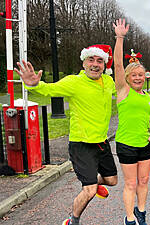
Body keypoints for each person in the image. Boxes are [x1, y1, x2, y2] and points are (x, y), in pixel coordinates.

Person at [14, 44, 118, 225]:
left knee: (112, 180)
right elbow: (50, 89)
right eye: (91, 60)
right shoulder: (73, 82)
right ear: (84, 63)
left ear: (105, 65)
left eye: (99, 60)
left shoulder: (108, 82)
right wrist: (34, 85)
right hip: (81, 144)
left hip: (101, 142)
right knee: (89, 190)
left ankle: (96, 182)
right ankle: (73, 220)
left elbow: (123, 92)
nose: (95, 64)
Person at [113, 19, 150, 225]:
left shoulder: (148, 98)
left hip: (144, 144)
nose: (138, 78)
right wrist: (120, 38)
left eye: (141, 75)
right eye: (135, 75)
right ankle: (129, 218)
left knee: (144, 181)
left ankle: (141, 212)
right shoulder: (123, 91)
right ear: (128, 77)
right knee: (131, 183)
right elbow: (118, 64)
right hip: (126, 144)